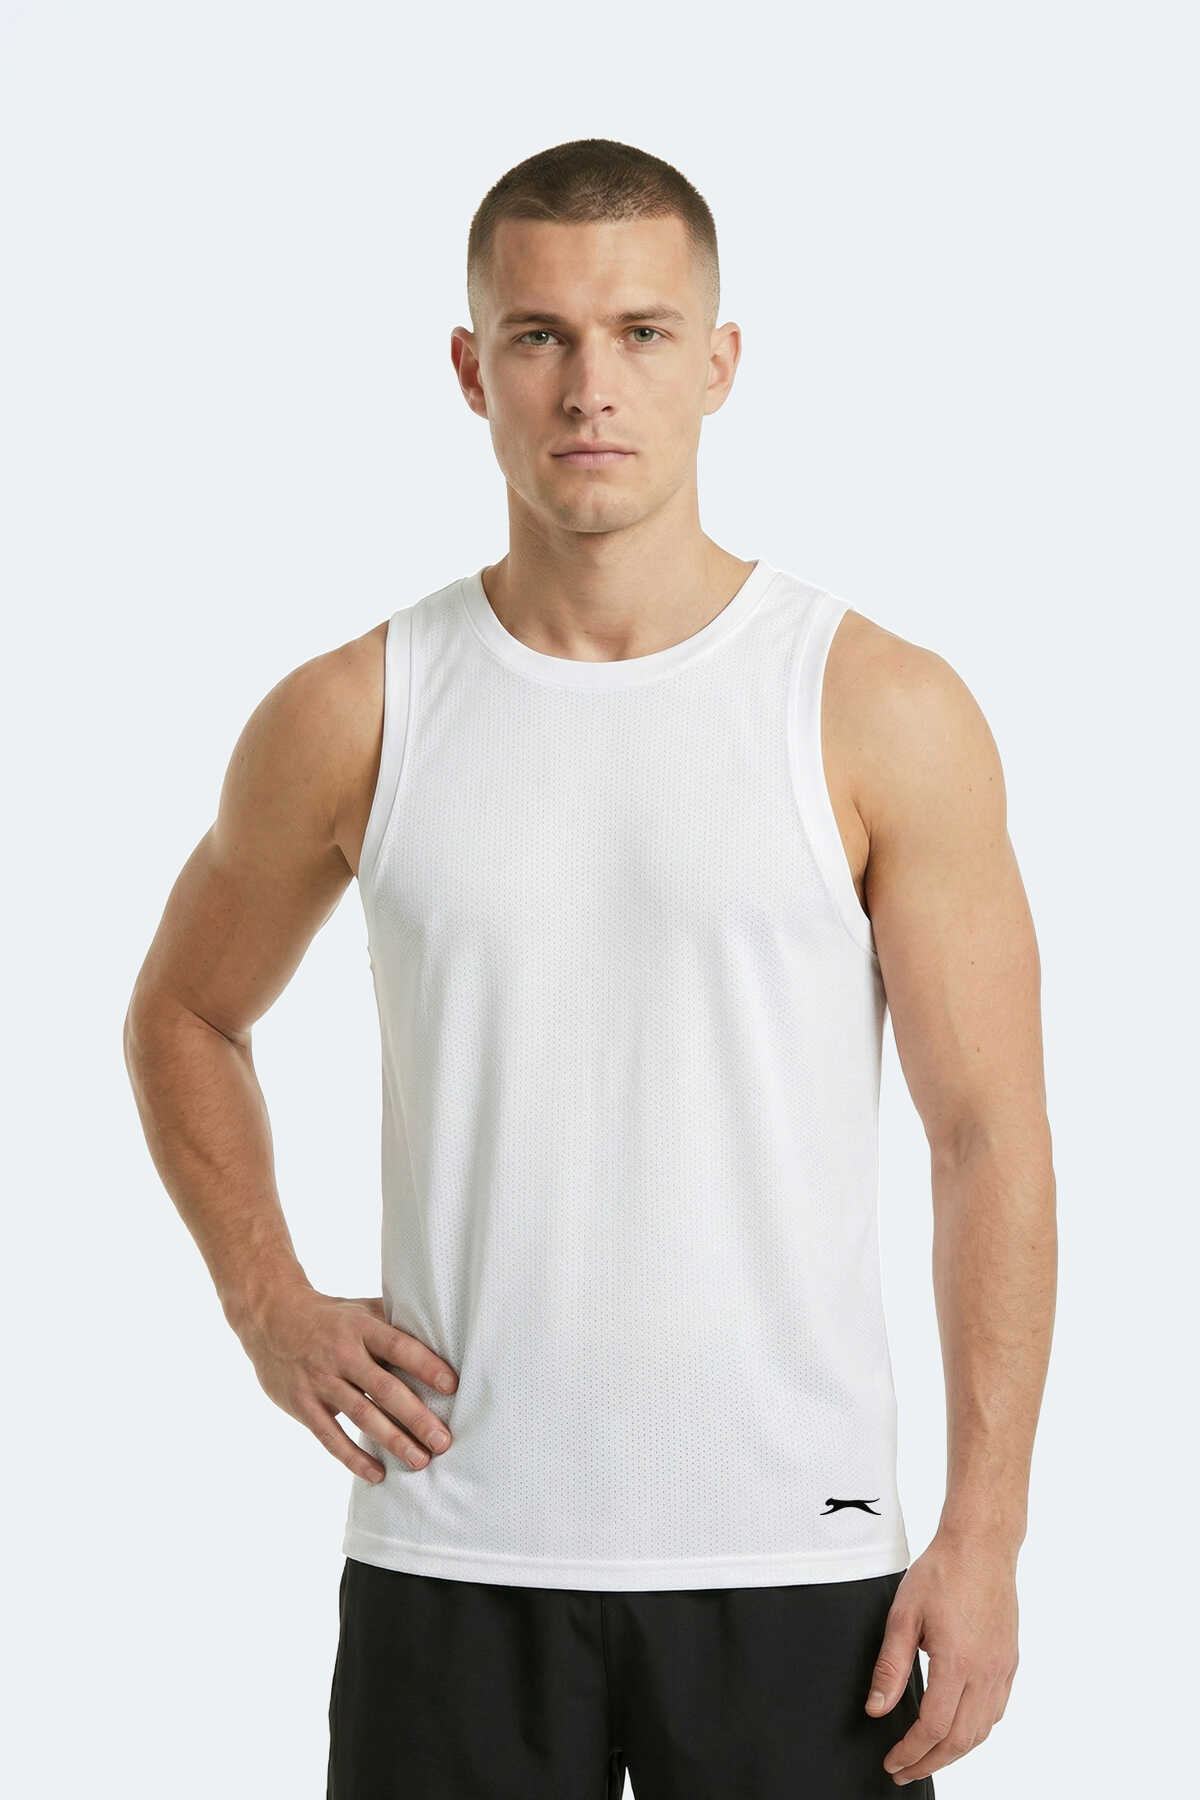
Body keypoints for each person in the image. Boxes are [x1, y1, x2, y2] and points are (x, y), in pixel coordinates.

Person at [123, 136, 1057, 1797]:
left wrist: (984, 1532)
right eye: (541, 336)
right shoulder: (357, 712)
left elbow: (989, 1137)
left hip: (798, 1551)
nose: (590, 387)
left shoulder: (876, 707)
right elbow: (184, 1013)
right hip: (453, 1546)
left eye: (640, 332)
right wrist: (268, 1302)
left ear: (720, 362)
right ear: (471, 368)